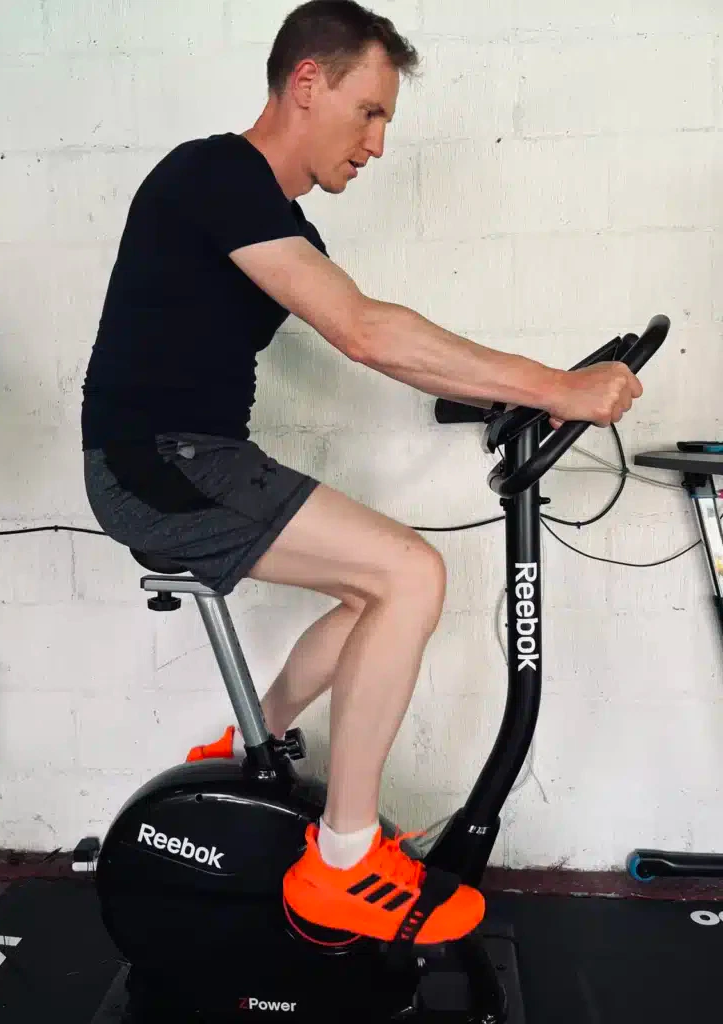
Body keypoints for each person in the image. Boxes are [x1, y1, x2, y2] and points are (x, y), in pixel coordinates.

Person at [81, 1, 642, 947]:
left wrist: (521, 395)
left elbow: (386, 336)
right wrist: (557, 385)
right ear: (308, 82)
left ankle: (247, 740)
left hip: (191, 459)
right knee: (411, 574)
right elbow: (365, 330)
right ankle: (340, 865)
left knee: (372, 595)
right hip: (160, 463)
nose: (378, 144)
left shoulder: (272, 217)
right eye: (370, 112)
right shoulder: (214, 174)